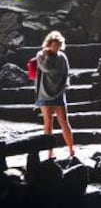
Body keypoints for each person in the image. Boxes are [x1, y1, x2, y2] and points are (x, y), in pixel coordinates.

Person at [35, 30, 75, 160]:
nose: (55, 47)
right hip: (44, 93)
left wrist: (64, 86)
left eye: (58, 45)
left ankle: (71, 149)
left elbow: (66, 72)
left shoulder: (62, 57)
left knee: (64, 121)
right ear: (48, 44)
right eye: (53, 45)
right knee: (48, 123)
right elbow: (46, 68)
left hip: (58, 93)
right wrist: (47, 56)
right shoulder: (40, 55)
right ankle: (49, 152)